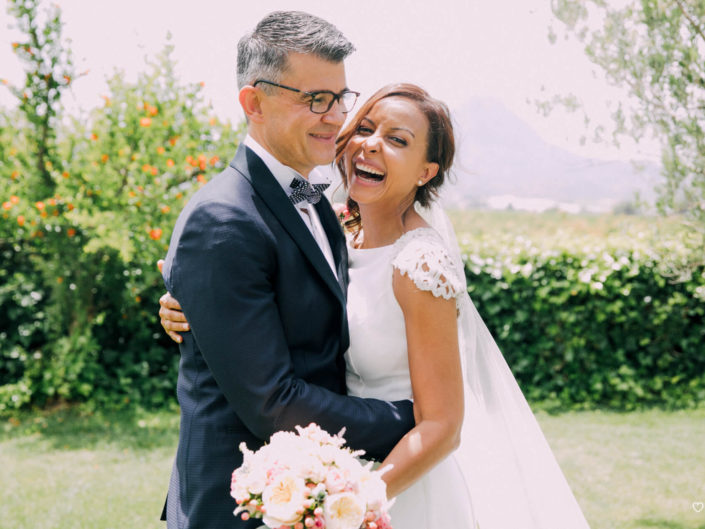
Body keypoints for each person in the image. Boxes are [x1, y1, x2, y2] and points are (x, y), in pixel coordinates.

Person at [160, 83, 592, 528]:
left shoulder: (420, 265)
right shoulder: (334, 231)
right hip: (328, 463)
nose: (370, 144)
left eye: (397, 140)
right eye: (365, 128)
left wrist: (352, 502)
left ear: (426, 172)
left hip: (401, 482)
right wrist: (192, 301)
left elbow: (442, 426)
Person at [158, 12, 417, 529]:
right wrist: (412, 419)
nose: (336, 115)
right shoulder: (223, 220)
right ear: (253, 102)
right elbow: (274, 403)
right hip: (240, 507)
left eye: (340, 97)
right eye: (314, 99)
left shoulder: (319, 202)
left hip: (313, 495)